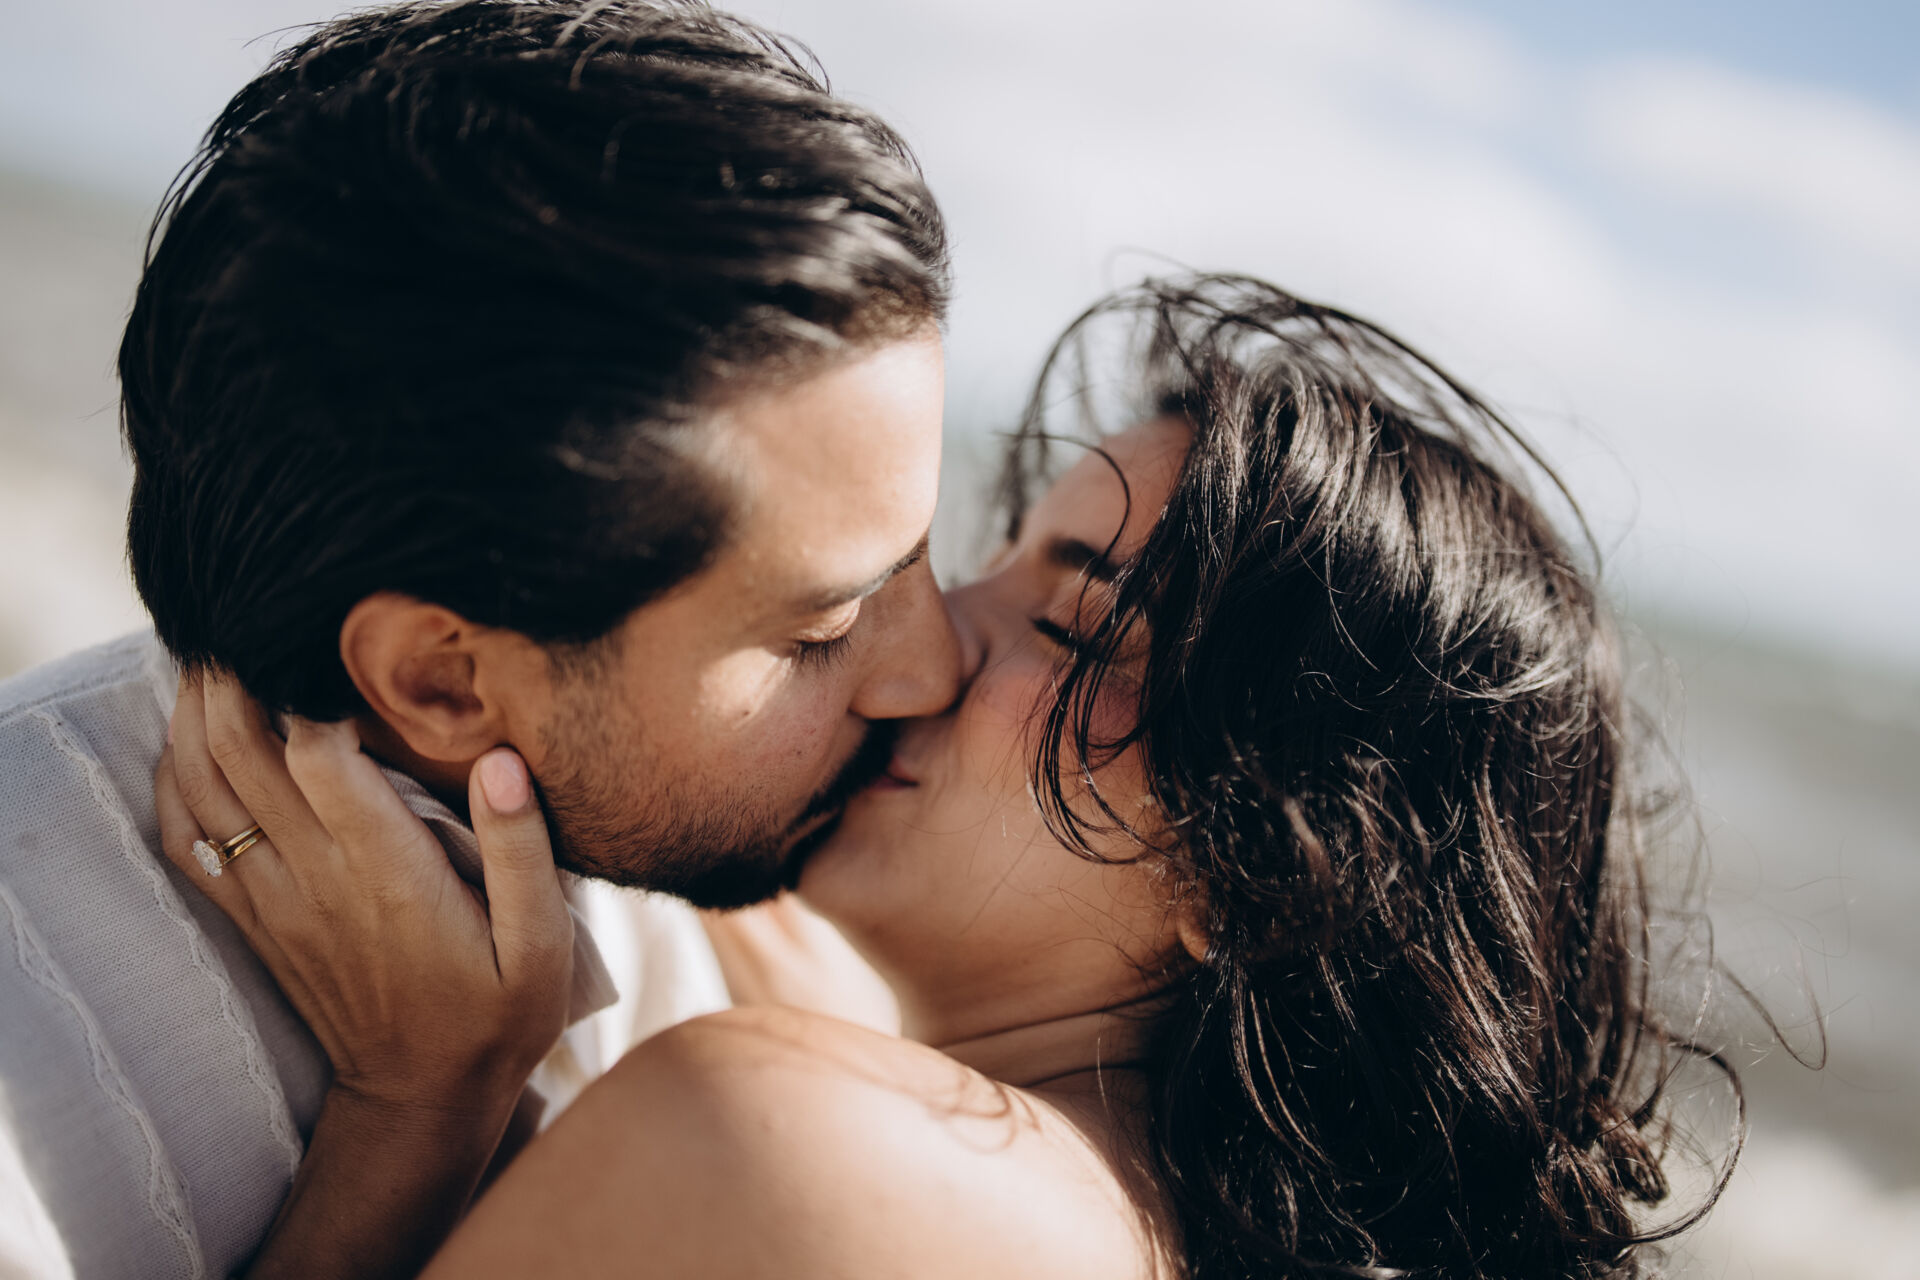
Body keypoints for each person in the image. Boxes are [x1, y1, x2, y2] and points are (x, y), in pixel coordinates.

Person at [161, 276, 1724, 1279]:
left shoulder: (791, 1146)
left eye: (1070, 624)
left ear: (1267, 882)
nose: (919, 640)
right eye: (994, 556)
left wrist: (412, 1106)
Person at [0, 3, 961, 1276]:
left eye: (925, 555)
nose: (937, 666)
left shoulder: (671, 893)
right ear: (441, 681)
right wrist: (413, 1113)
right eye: (826, 625)